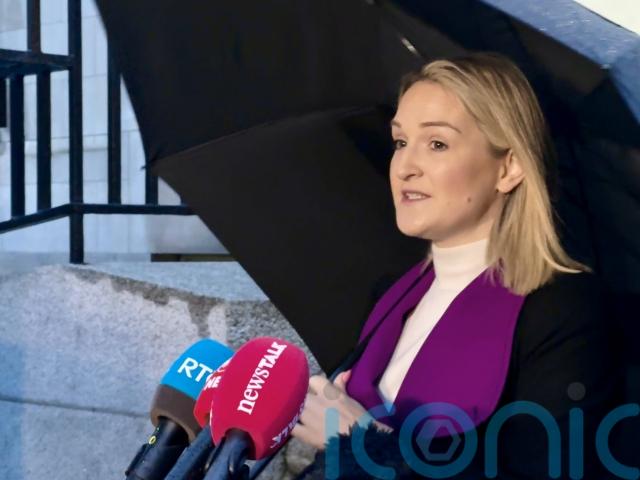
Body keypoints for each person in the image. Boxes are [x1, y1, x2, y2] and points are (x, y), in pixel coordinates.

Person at [290, 52, 626, 479]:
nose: (405, 167)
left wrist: (363, 444)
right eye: (400, 142)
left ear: (509, 168)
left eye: (437, 144)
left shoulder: (563, 311)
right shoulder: (391, 297)